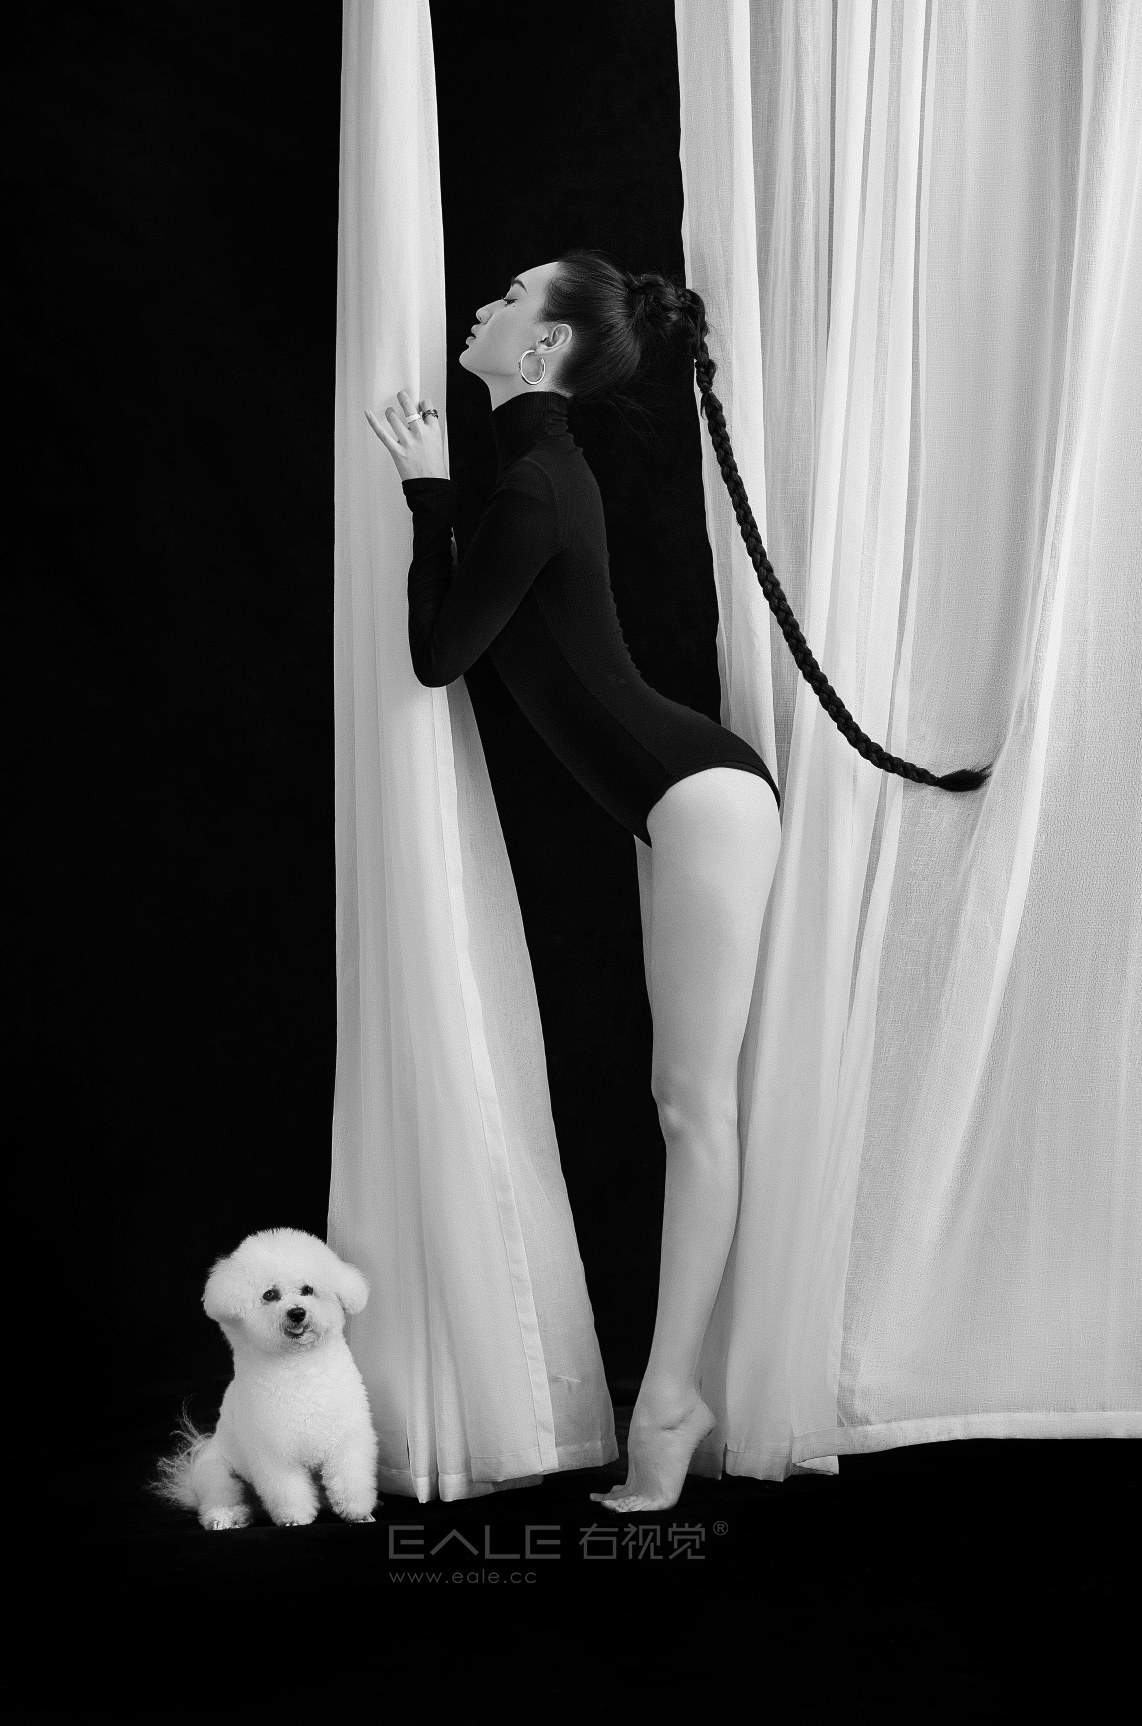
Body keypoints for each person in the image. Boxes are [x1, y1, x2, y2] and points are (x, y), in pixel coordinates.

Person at [366, 250, 992, 1513]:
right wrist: (438, 494)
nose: (482, 307)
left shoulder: (534, 485)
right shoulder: (540, 474)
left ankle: (668, 1407)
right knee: (685, 1103)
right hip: (685, 802)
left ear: (542, 350)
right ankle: (672, 1396)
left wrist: (427, 493)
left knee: (695, 1109)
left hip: (699, 800)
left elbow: (437, 654)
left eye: (509, 300)